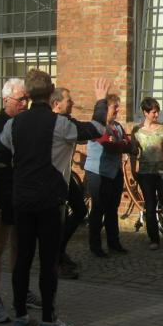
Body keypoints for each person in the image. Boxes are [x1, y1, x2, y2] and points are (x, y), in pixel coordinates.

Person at [0, 70, 108, 326]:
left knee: (22, 260)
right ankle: (48, 322)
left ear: (28, 93)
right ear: (50, 91)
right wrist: (100, 101)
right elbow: (97, 129)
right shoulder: (60, 124)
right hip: (49, 201)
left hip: (22, 201)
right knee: (48, 262)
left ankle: (21, 320)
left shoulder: (13, 125)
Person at [0, 78, 41, 322]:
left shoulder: (25, 124)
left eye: (28, 99)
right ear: (6, 100)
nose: (25, 103)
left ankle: (21, 292)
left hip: (22, 192)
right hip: (2, 192)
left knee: (20, 245)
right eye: (21, 99)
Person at [130, 97, 163, 251]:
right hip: (146, 173)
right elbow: (133, 152)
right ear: (145, 113)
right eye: (153, 112)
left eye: (157, 111)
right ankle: (154, 239)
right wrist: (133, 169)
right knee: (150, 205)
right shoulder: (136, 131)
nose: (157, 115)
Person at [85, 93, 132, 258]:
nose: (118, 110)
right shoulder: (97, 127)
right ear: (105, 109)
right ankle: (95, 245)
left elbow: (129, 145)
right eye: (115, 107)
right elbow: (109, 146)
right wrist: (122, 145)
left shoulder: (117, 127)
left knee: (112, 208)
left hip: (114, 172)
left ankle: (114, 242)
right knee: (98, 208)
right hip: (98, 172)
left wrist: (122, 144)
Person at [50, 87, 88, 280]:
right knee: (56, 221)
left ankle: (60, 251)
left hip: (66, 175)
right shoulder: (56, 123)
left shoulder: (67, 122)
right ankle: (55, 262)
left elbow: (82, 136)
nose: (72, 102)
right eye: (68, 100)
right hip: (53, 177)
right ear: (57, 104)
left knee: (80, 210)